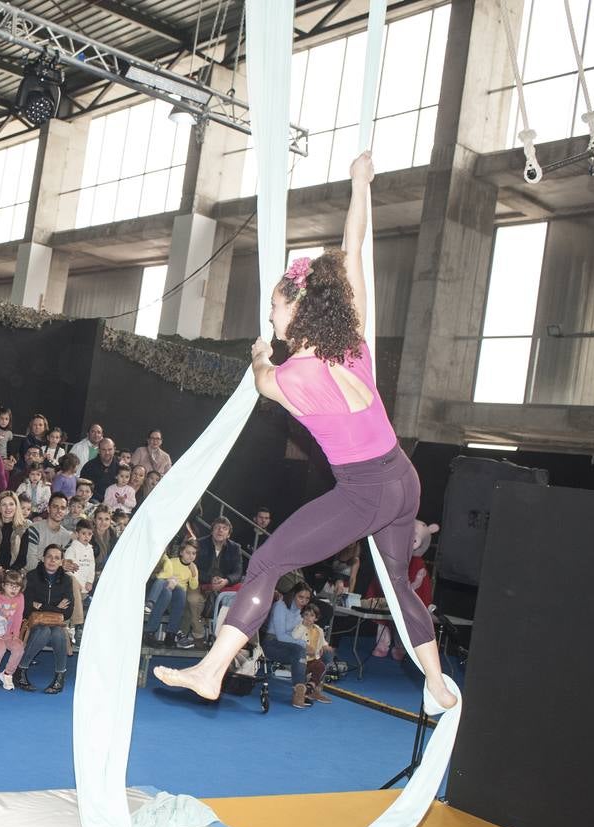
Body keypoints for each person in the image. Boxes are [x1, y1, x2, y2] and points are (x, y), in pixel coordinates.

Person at [156, 152, 456, 711]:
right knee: (394, 577)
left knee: (268, 562)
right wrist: (362, 183)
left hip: (365, 490)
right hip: (403, 480)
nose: (270, 317)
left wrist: (257, 356)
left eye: (273, 308)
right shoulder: (354, 341)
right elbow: (355, 248)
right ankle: (437, 684)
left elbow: (263, 381)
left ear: (295, 312)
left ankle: (211, 670)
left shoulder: (293, 375)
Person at [14, 545, 75, 694]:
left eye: (56, 558)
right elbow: (27, 606)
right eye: (49, 556)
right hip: (33, 623)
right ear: (43, 558)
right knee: (44, 631)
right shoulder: (32, 576)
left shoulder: (67, 580)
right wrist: (56, 607)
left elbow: (67, 611)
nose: (52, 560)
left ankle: (60, 676)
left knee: (59, 633)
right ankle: (21, 670)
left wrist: (41, 606)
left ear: (62, 561)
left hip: (56, 624)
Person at [184, 516, 243, 644]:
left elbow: (238, 572)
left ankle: (224, 640)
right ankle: (198, 635)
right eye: (217, 528)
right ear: (212, 531)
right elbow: (193, 566)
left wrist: (226, 580)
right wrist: (210, 580)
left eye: (224, 528)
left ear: (229, 533)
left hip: (224, 586)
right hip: (201, 583)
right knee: (193, 600)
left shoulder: (235, 548)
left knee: (238, 602)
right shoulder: (200, 543)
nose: (220, 531)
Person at [147, 539, 198, 648]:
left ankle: (171, 634)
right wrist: (170, 580)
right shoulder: (172, 561)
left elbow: (194, 586)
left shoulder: (193, 567)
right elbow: (163, 575)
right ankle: (150, 632)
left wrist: (193, 574)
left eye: (193, 553)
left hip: (178, 596)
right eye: (188, 552)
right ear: (181, 552)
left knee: (181, 593)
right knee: (167, 592)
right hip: (167, 588)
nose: (191, 556)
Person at [0, 568, 27, 690]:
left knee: (19, 648)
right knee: (1, 648)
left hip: (9, 632)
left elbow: (19, 616)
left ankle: (8, 674)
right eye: (10, 585)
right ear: (3, 585)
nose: (14, 589)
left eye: (17, 586)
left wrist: (16, 634)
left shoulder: (20, 598)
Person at [297, 601, 335, 704]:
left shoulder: (319, 630)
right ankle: (306, 690)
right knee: (317, 666)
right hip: (301, 659)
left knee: (322, 665)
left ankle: (311, 688)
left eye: (312, 615)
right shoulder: (299, 627)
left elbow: (323, 642)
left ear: (316, 618)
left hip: (314, 659)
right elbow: (295, 637)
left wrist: (326, 647)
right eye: (306, 614)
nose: (308, 617)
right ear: (302, 616)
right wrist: (303, 626)